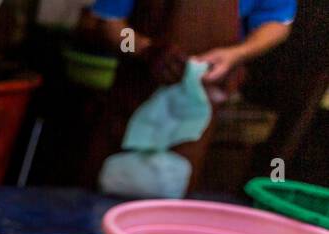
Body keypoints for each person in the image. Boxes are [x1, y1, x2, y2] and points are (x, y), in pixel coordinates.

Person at [79, 0, 295, 189]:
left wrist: (237, 54)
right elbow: (109, 22)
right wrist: (143, 49)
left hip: (202, 105)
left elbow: (277, 22)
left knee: (173, 201)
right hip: (132, 94)